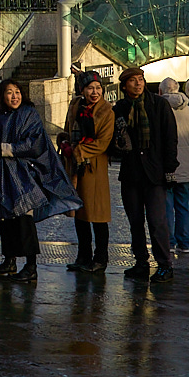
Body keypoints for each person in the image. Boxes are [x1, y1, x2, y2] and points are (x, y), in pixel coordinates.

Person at [0, 78, 82, 283]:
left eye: (17, 91)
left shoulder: (29, 114)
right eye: (9, 92)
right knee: (5, 220)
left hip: (23, 177)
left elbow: (34, 144)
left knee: (24, 220)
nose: (14, 96)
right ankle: (9, 260)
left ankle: (31, 265)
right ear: (2, 95)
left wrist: (5, 149)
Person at [112, 66, 178, 282]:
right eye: (132, 81)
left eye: (140, 79)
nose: (138, 84)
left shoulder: (158, 105)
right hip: (131, 174)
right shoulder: (119, 108)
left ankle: (164, 264)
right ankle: (141, 262)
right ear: (124, 86)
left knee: (157, 221)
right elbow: (113, 143)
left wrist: (169, 168)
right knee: (135, 222)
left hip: (155, 173)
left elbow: (170, 138)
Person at [62, 69, 114, 273]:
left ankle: (101, 258)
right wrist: (64, 141)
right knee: (80, 213)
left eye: (98, 88)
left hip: (94, 167)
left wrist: (77, 150)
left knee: (98, 214)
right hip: (76, 167)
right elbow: (67, 128)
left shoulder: (106, 110)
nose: (95, 92)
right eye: (90, 88)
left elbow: (102, 142)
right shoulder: (76, 105)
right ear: (82, 90)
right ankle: (83, 256)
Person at [161, 76, 189, 254]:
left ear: (161, 91)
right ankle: (184, 243)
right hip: (184, 166)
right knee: (183, 205)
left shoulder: (160, 108)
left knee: (166, 206)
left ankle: (169, 241)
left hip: (166, 165)